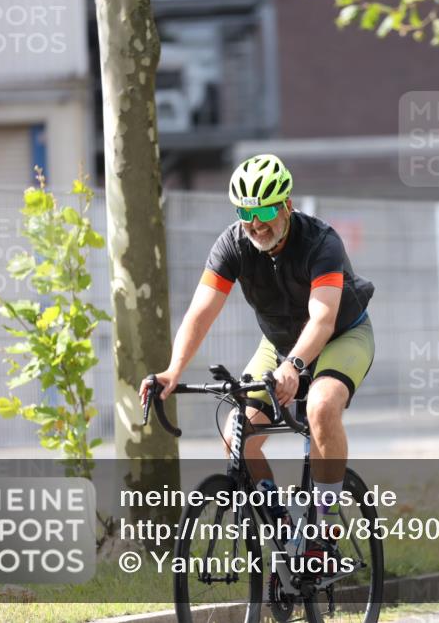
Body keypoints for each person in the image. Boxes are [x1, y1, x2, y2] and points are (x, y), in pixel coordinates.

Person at [139, 153, 374, 565]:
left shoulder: (321, 242)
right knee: (236, 433)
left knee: (319, 407)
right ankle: (284, 530)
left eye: (266, 210)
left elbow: (322, 319)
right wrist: (173, 370)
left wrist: (295, 367)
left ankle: (324, 522)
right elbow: (200, 312)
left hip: (341, 335)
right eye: (246, 212)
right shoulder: (233, 243)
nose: (256, 223)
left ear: (286, 205)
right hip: (279, 344)